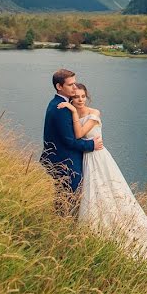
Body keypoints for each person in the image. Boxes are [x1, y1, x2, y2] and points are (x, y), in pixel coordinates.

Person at [59, 82, 147, 265]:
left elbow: (79, 134)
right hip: (86, 159)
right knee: (92, 195)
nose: (80, 100)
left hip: (98, 158)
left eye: (83, 96)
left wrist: (73, 112)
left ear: (86, 96)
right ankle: (93, 232)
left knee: (109, 192)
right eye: (76, 97)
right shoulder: (68, 114)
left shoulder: (94, 113)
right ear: (71, 98)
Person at [40, 68, 104, 212]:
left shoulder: (62, 103)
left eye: (75, 83)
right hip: (65, 162)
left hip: (63, 160)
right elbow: (70, 141)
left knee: (65, 198)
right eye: (71, 85)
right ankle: (63, 228)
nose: (75, 88)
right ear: (59, 86)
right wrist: (92, 144)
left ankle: (62, 226)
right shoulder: (61, 108)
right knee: (70, 200)